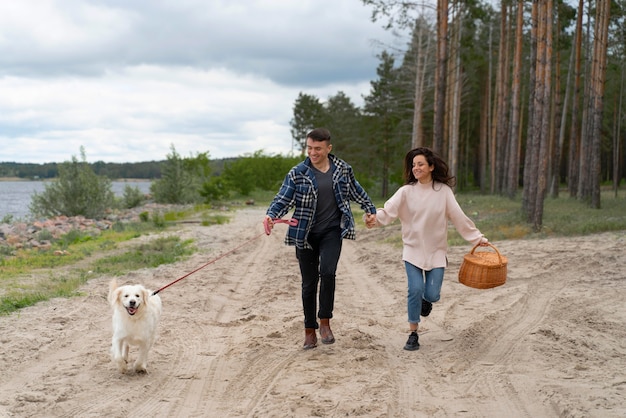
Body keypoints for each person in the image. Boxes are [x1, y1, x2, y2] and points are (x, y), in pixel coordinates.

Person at [265, 128, 377, 350]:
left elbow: (357, 191)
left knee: (327, 272)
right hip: (304, 234)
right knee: (309, 283)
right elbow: (283, 199)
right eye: (309, 148)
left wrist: (370, 209)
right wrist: (271, 215)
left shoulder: (343, 170)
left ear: (328, 148)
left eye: (317, 148)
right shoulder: (297, 173)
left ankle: (324, 322)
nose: (313, 152)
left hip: (332, 232)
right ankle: (309, 330)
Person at [368, 147, 488, 351]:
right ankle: (413, 333)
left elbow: (459, 218)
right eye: (414, 165)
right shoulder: (406, 192)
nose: (416, 168)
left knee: (431, 295)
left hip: (436, 253)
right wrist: (374, 219)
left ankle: (427, 300)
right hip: (412, 251)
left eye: (421, 164)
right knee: (414, 289)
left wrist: (477, 239)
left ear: (431, 167)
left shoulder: (443, 192)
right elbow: (388, 211)